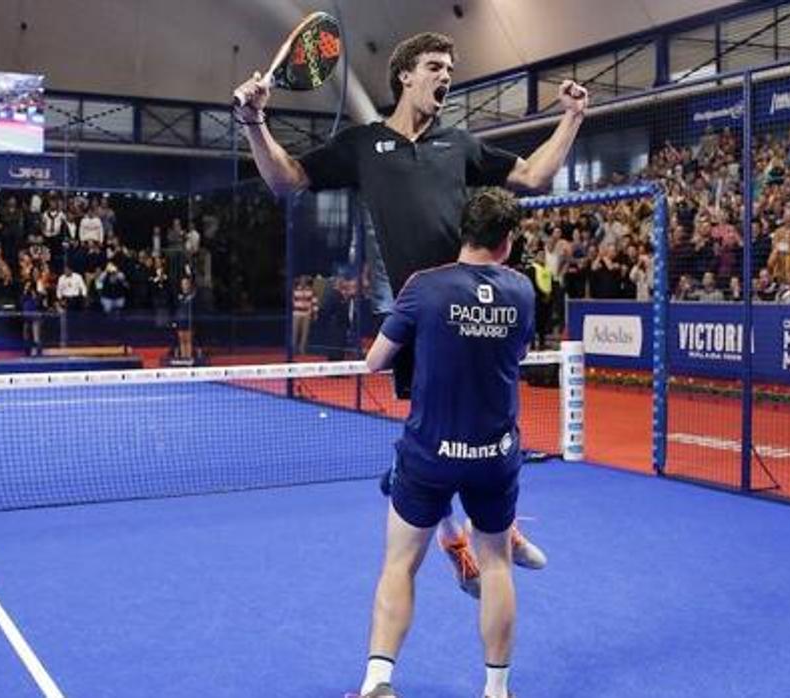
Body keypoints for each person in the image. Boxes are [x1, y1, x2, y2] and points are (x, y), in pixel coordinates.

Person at [234, 31, 577, 593]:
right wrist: (254, 124)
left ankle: (500, 524)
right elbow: (285, 180)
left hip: (476, 308)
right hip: (421, 316)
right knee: (427, 434)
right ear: (405, 76)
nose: (446, 76)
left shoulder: (460, 143)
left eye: (449, 68)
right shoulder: (363, 146)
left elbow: (534, 176)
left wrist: (572, 118)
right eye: (436, 66)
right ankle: (455, 542)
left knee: (495, 420)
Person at [353, 189, 533, 698]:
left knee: (399, 564)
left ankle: (378, 684)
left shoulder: (423, 288)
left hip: (430, 453)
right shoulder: (521, 291)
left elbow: (375, 361)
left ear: (465, 231)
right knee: (496, 564)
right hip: (495, 456)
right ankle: (497, 692)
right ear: (507, 241)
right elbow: (516, 351)